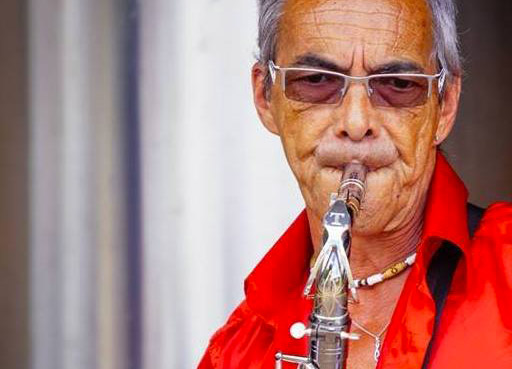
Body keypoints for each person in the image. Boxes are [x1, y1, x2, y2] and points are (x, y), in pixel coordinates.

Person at [198, 0, 512, 368]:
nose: (357, 121)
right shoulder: (236, 354)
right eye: (316, 80)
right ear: (265, 97)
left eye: (397, 84)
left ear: (445, 105)